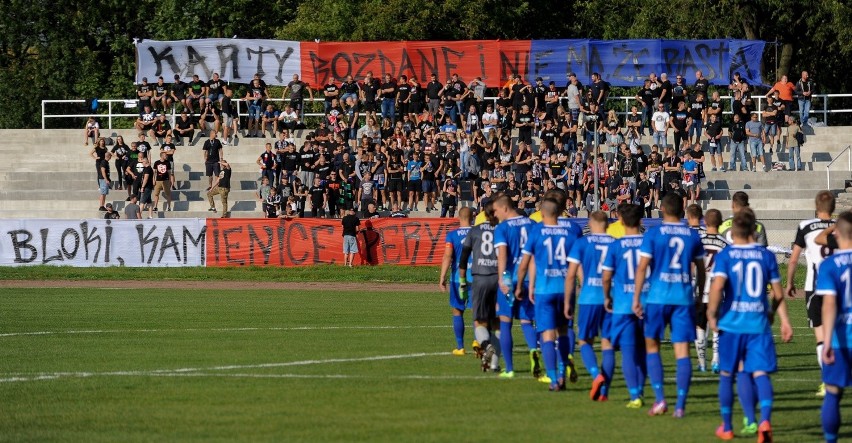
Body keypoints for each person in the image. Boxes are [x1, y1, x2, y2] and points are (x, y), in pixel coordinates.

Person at [708, 207, 793, 441]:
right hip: (758, 324)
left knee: (728, 374)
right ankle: (764, 420)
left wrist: (712, 314)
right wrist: (781, 318)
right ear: (754, 229)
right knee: (759, 373)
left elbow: (717, 287)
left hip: (732, 324)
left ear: (733, 230)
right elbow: (777, 293)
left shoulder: (726, 255)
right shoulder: (765, 256)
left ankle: (727, 426)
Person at [632, 193, 706, 417]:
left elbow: (642, 267)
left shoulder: (653, 233)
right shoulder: (692, 236)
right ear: (682, 209)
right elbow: (701, 270)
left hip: (657, 297)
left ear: (662, 209)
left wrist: (636, 298)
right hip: (683, 298)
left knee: (652, 346)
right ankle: (681, 406)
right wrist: (700, 296)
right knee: (682, 351)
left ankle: (660, 400)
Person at [514, 199, 575, 391]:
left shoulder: (536, 232)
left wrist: (523, 285)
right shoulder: (570, 233)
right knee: (563, 331)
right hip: (565, 289)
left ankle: (553, 379)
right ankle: (562, 370)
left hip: (544, 290)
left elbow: (525, 263)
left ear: (542, 214)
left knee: (547, 334)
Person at [787, 190, 836, 398]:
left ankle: (827, 381)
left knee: (820, 335)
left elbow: (793, 258)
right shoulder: (841, 228)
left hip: (815, 287)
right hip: (839, 287)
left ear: (816, 207)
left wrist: (789, 282)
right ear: (833, 208)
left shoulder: (805, 226)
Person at [565, 211, 616, 400]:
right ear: (607, 225)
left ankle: (596, 374)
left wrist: (568, 301)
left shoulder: (582, 243)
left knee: (585, 341)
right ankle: (605, 392)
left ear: (591, 224)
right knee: (608, 344)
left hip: (588, 298)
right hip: (610, 299)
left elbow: (571, 275)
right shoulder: (616, 243)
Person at [601, 203, 648, 408]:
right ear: (641, 220)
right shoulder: (650, 243)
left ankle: (635, 395)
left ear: (620, 219)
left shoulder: (616, 246)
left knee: (628, 351)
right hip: (647, 302)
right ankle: (642, 390)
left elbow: (606, 276)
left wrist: (607, 297)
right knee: (645, 350)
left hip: (622, 304)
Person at [494, 195, 542, 380]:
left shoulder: (503, 228)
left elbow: (503, 256)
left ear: (505, 208)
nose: (496, 214)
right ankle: (533, 351)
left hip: (510, 279)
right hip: (529, 279)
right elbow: (536, 255)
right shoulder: (532, 224)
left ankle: (510, 368)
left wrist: (502, 279)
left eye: (496, 210)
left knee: (505, 322)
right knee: (527, 321)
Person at [816, 211, 852, 443]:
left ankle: (831, 440)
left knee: (832, 392)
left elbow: (829, 304)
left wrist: (826, 341)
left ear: (836, 232)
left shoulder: (829, 265)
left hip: (841, 339)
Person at [459, 200, 502, 373]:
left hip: (480, 279)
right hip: (498, 279)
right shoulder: (501, 230)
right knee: (497, 324)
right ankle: (495, 364)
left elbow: (463, 258)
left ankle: (486, 344)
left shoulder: (474, 231)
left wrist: (462, 282)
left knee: (480, 322)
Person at [687, 206, 728, 374]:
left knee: (700, 326)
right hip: (718, 290)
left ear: (705, 221)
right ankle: (716, 359)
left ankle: (702, 361)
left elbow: (692, 266)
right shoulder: (726, 244)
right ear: (720, 223)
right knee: (717, 325)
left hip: (700, 289)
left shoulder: (698, 242)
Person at [439, 207, 475, 356]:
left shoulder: (452, 235)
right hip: (477, 277)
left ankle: (460, 347)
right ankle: (478, 342)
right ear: (473, 217)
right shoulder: (479, 233)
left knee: (457, 311)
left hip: (457, 279)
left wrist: (442, 277)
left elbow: (447, 256)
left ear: (459, 218)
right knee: (477, 312)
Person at [151, 151, 172, 216]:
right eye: (165, 155)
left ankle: (169, 207)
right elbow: (154, 172)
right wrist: (153, 180)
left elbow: (169, 172)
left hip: (166, 180)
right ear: (162, 156)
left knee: (168, 194)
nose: (166, 156)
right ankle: (155, 206)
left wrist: (170, 180)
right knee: (156, 194)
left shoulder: (168, 163)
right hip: (158, 180)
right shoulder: (156, 163)